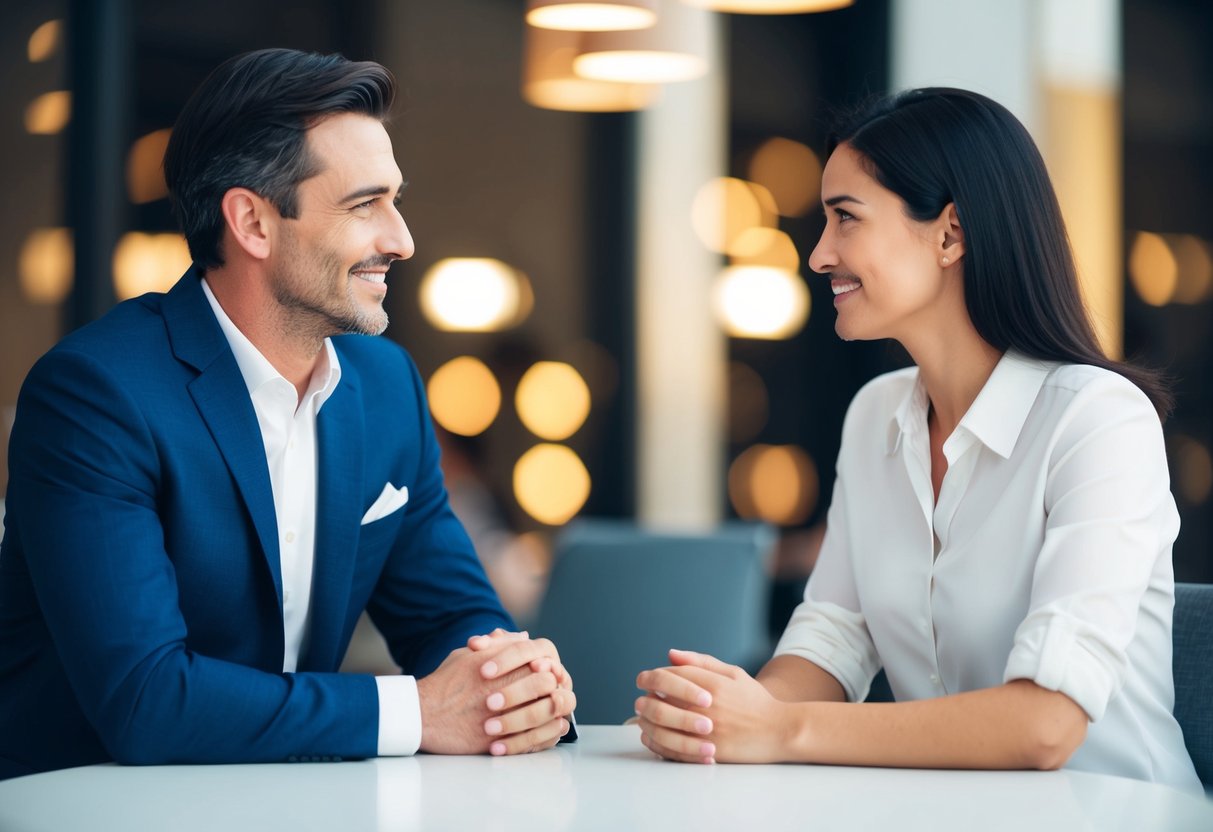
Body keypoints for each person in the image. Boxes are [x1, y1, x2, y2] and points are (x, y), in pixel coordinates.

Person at [0, 48, 574, 781]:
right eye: (365, 204)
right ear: (253, 223)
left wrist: (511, 682)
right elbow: (145, 701)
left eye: (395, 201)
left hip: (290, 797)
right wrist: (417, 713)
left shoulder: (388, 384)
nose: (400, 239)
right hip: (81, 804)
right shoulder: (96, 395)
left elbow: (448, 619)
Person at [634, 87, 1201, 792]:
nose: (818, 255)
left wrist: (781, 730)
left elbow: (1044, 726)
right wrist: (715, 715)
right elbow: (833, 638)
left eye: (845, 219)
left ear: (949, 234)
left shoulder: (1098, 420)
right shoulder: (874, 415)